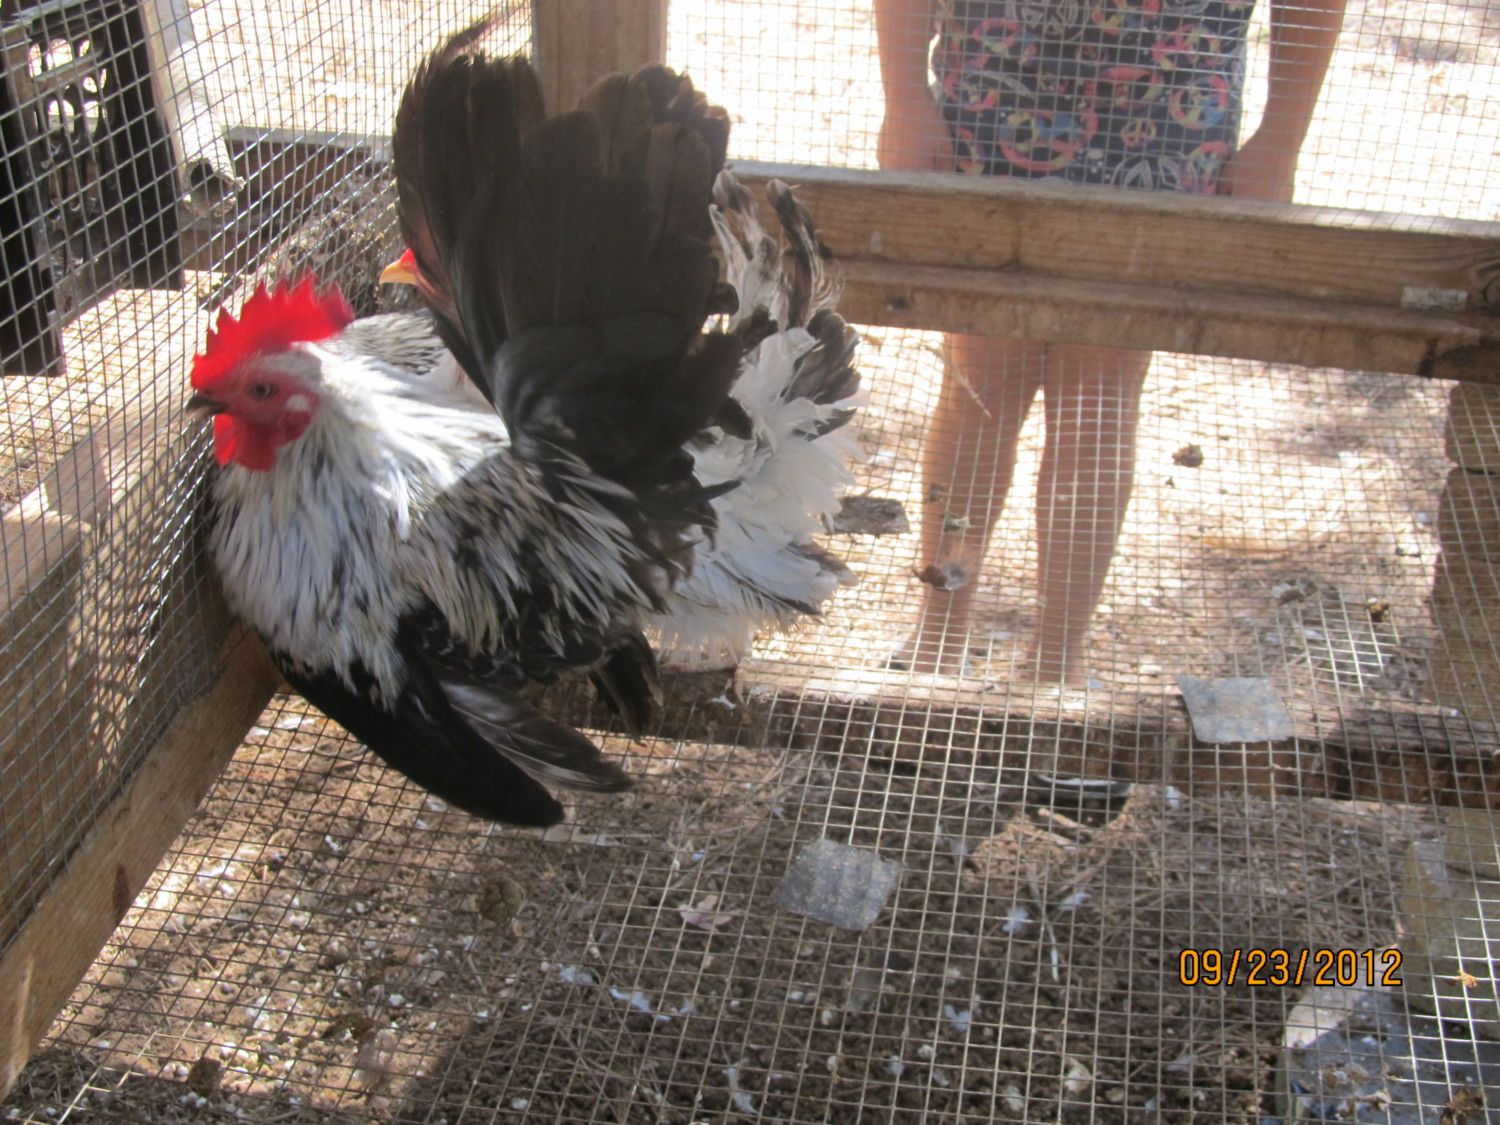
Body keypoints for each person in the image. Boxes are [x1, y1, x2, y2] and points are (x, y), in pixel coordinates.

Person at [875, 0, 1345, 684]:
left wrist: (1281, 137)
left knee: (1096, 398)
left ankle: (1056, 664)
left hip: (1166, 108)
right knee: (982, 382)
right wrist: (904, 97)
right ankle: (939, 636)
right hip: (998, 82)